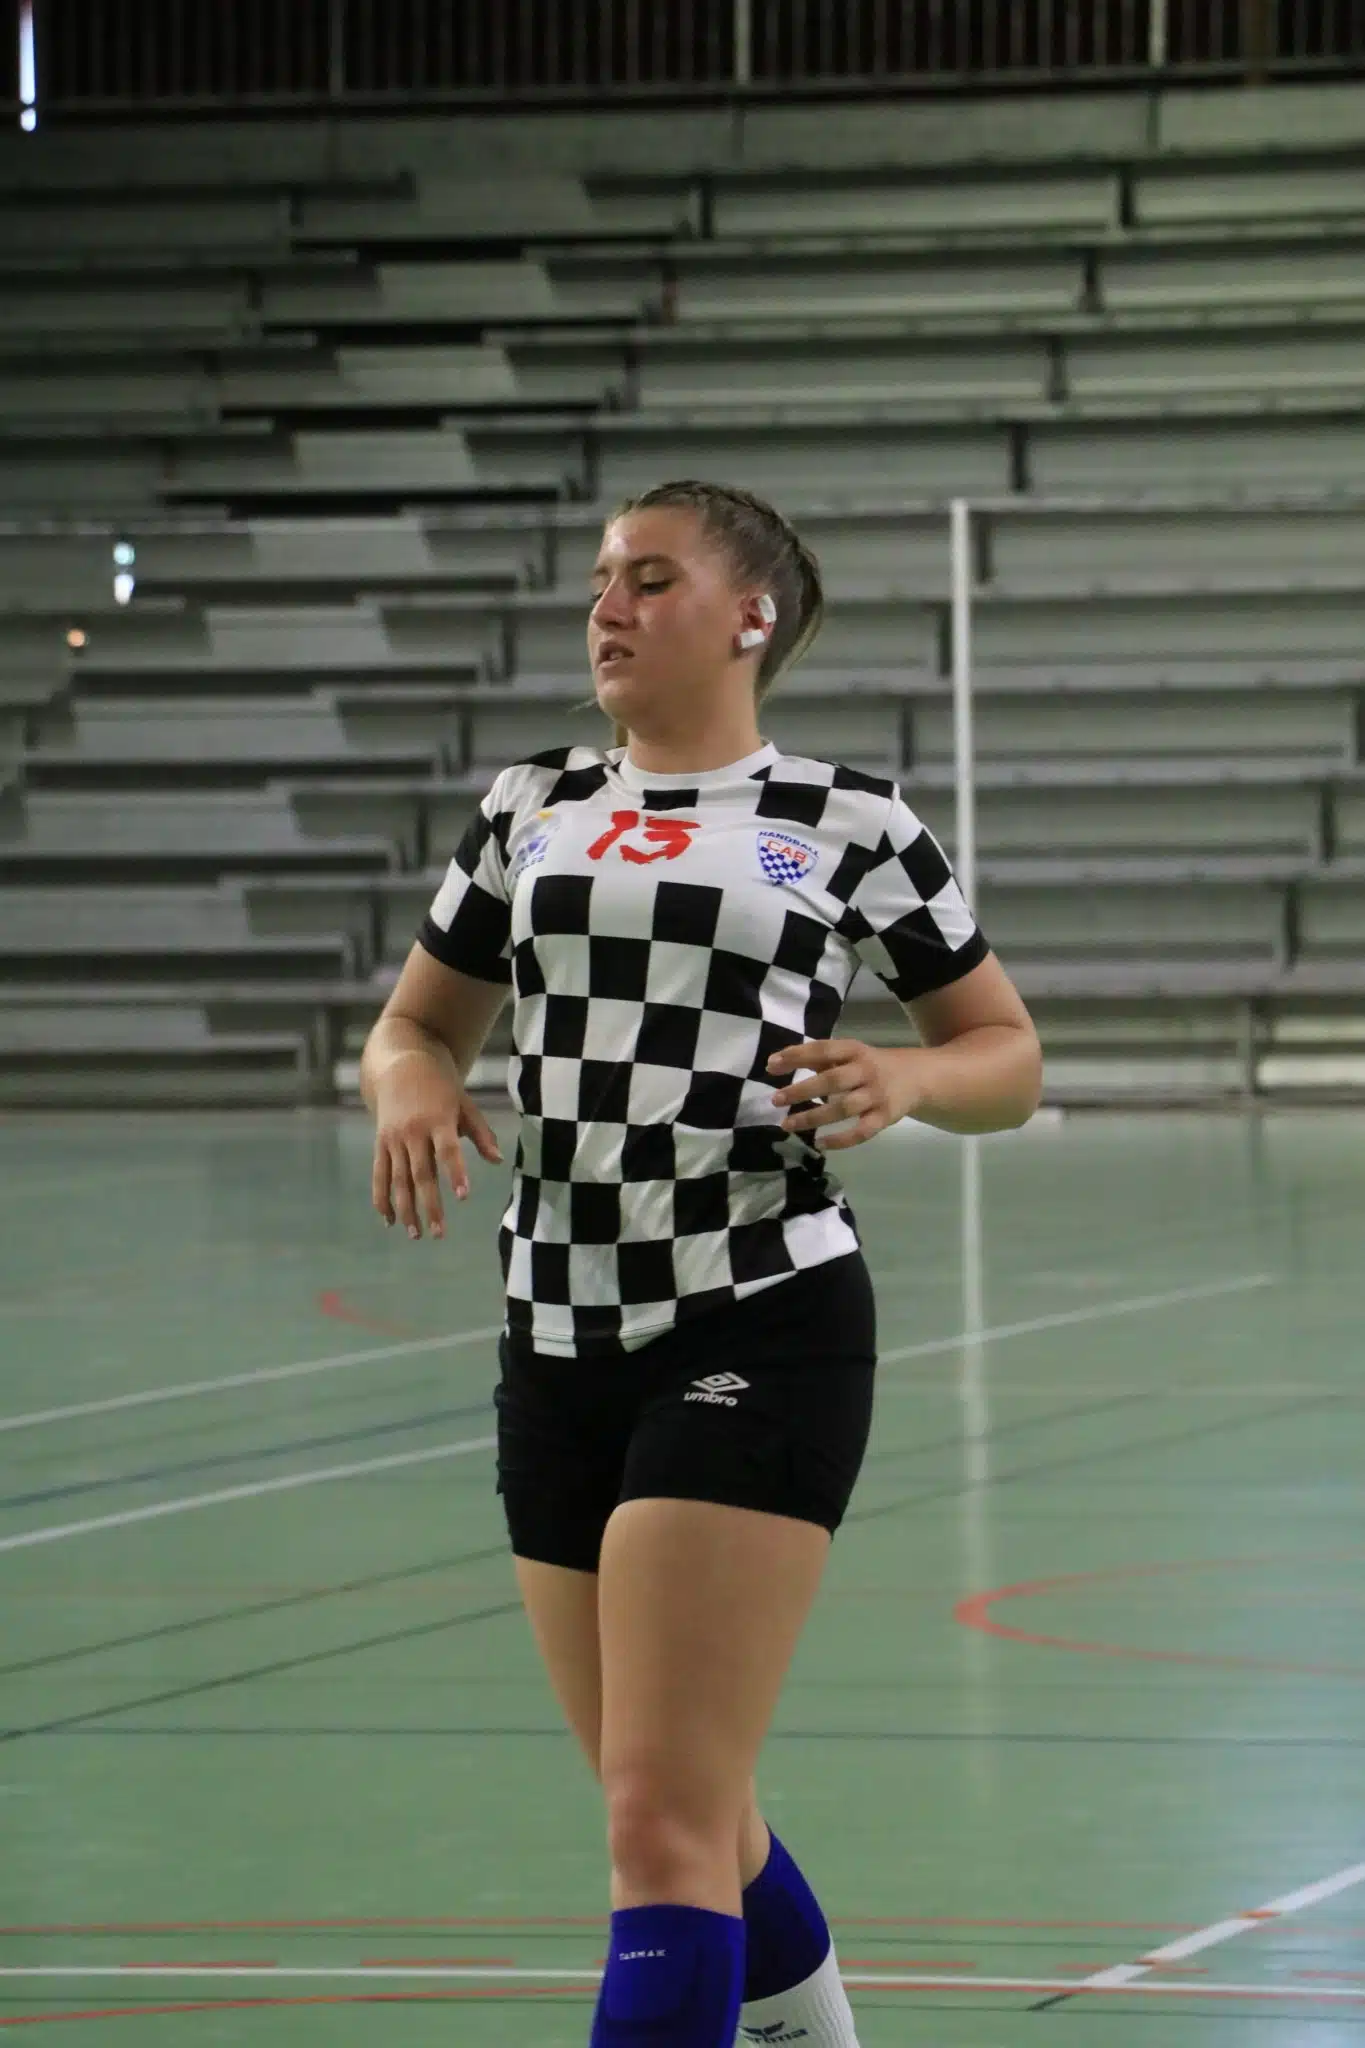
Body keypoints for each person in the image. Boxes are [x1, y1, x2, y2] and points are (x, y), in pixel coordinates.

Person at [361, 479, 1042, 2048]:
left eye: (650, 579)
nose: (609, 607)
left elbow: (1004, 1052)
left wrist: (910, 1076)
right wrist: (406, 1083)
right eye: (602, 579)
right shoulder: (530, 805)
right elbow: (415, 1024)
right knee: (692, 1805)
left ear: (751, 616)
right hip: (554, 1336)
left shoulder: (849, 822)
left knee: (658, 1816)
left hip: (758, 1314)